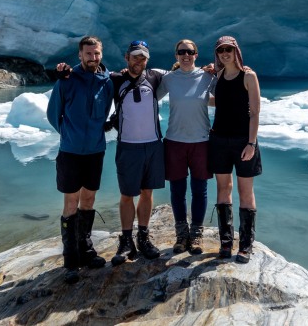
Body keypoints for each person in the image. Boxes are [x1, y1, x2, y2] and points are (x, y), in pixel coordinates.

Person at [46, 36, 113, 283]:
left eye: (96, 53)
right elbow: (54, 114)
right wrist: (68, 134)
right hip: (71, 152)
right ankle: (70, 258)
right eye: (88, 54)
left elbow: (105, 112)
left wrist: (99, 129)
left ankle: (86, 251)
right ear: (80, 55)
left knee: (89, 198)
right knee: (71, 202)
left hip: (95, 151)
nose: (93, 58)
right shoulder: (66, 81)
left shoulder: (106, 82)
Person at [108, 40, 166, 265]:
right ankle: (125, 240)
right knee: (126, 195)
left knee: (147, 192)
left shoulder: (154, 77)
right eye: (135, 57)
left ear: (147, 59)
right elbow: (93, 73)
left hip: (153, 144)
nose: (138, 61)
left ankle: (143, 236)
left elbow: (182, 70)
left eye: (142, 57)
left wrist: (212, 69)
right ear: (127, 57)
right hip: (128, 146)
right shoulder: (117, 79)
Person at [157, 39, 215, 255]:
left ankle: (197, 234)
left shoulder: (208, 77)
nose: (186, 55)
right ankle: (182, 235)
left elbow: (226, 94)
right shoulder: (169, 79)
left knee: (200, 190)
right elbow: (149, 98)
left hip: (201, 141)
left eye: (190, 52)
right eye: (181, 52)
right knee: (177, 190)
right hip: (175, 141)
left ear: (196, 55)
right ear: (176, 55)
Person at [209, 35, 262, 263]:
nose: (225, 53)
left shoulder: (248, 76)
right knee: (223, 189)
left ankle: (246, 245)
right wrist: (194, 98)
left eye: (229, 49)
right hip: (219, 139)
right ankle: (226, 242)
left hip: (243, 141)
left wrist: (251, 143)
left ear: (236, 51)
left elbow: (255, 112)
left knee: (245, 191)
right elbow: (220, 101)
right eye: (221, 50)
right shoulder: (219, 75)